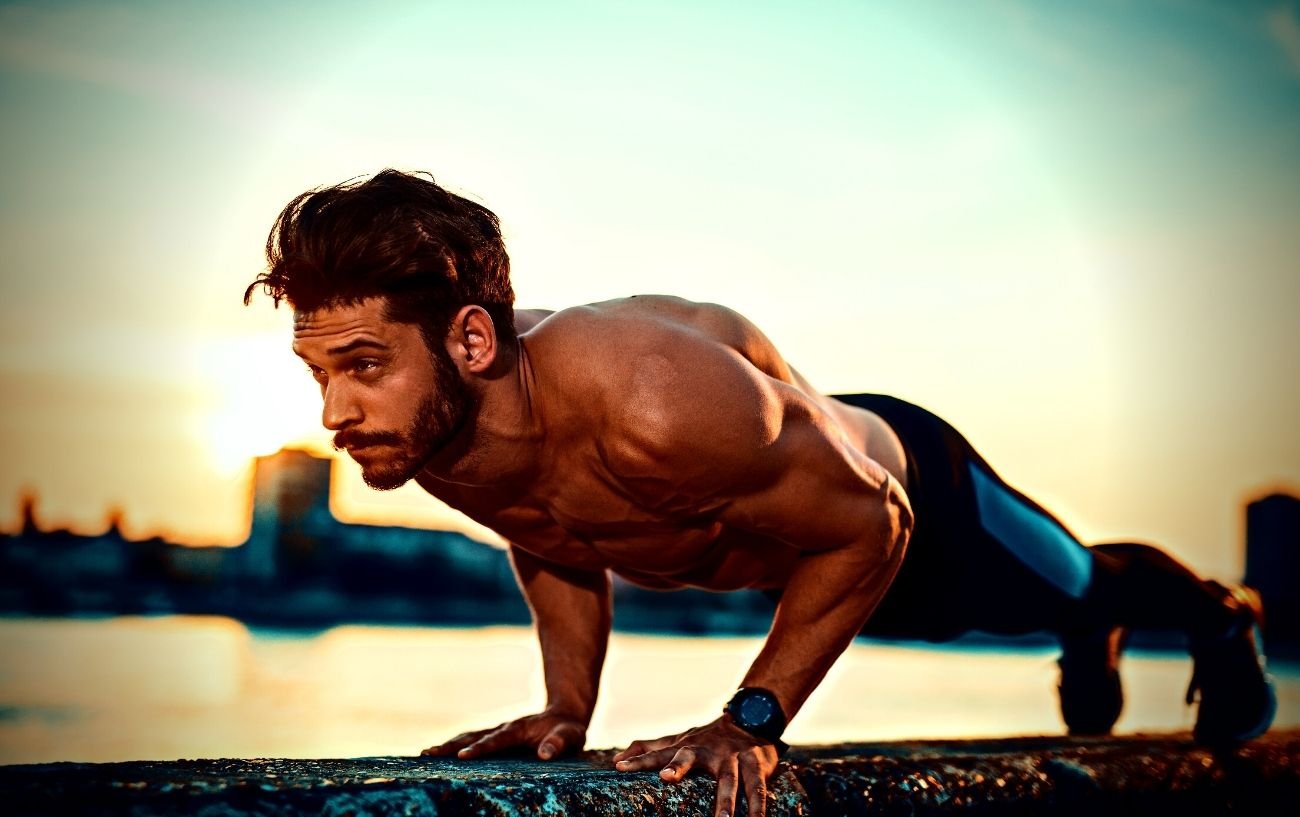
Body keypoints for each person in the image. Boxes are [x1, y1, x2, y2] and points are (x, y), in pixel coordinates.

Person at [244, 169, 1277, 817]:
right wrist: (567, 707)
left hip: (912, 494)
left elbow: (877, 520)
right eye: (320, 374)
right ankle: (1087, 625)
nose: (334, 412)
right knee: (1059, 598)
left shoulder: (649, 395)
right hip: (807, 565)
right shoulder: (429, 430)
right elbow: (547, 528)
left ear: (469, 337)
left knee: (1082, 581)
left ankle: (1223, 618)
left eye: (363, 366)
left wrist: (749, 721)